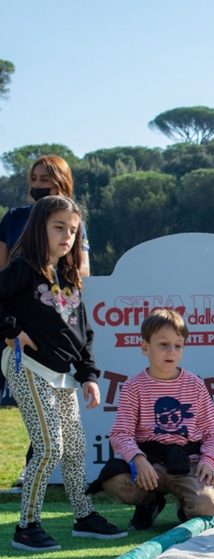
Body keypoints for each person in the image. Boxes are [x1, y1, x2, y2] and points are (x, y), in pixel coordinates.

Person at [1, 195, 125, 552]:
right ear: (39, 227)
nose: (67, 235)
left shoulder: (69, 277)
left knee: (74, 448)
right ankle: (26, 526)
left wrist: (87, 374)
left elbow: (83, 333)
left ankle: (83, 516)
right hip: (27, 367)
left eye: (72, 230)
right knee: (49, 447)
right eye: (59, 227)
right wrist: (10, 330)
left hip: (62, 376)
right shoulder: (24, 266)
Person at [90, 308, 214, 531]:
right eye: (163, 344)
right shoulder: (134, 387)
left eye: (177, 345)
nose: (171, 351)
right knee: (114, 480)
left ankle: (187, 505)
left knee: (206, 505)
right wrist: (139, 460)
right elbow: (120, 434)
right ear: (145, 347)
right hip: (149, 466)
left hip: (187, 464)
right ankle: (150, 503)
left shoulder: (195, 385)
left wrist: (208, 461)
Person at [1, 155, 91, 482]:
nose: (38, 185)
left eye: (46, 180)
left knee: (58, 434)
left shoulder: (74, 220)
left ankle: (36, 476)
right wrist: (12, 325)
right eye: (34, 179)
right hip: (12, 319)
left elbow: (80, 274)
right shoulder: (13, 218)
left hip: (47, 332)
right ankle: (28, 526)